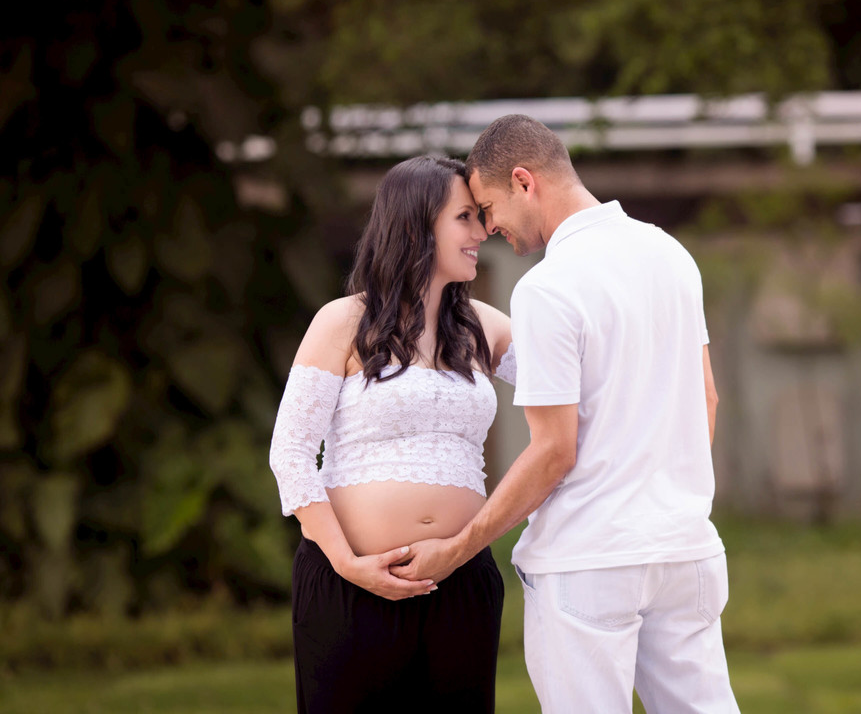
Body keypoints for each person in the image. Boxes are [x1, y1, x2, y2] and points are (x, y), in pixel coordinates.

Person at [392, 115, 740, 713]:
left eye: (489, 206)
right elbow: (705, 398)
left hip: (588, 565)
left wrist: (457, 549)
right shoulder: (671, 254)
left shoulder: (547, 287)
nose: (489, 226)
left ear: (524, 181)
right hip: (685, 550)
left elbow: (554, 450)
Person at [268, 154, 516, 712]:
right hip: (348, 583)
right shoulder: (341, 322)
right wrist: (346, 563)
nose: (483, 231)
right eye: (465, 218)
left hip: (462, 585)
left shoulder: (488, 327)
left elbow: (580, 387)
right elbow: (290, 452)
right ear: (415, 223)